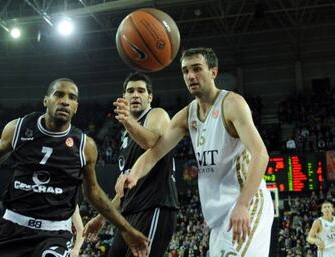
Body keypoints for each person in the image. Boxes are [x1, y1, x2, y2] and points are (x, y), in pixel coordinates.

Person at [0, 78, 148, 257]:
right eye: (59, 95)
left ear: (76, 108)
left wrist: (126, 229)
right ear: (46, 100)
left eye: (72, 98)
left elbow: (93, 192)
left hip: (53, 235)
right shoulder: (18, 128)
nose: (65, 101)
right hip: (11, 228)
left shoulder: (85, 146)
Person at [116, 48, 274, 257]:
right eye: (185, 71)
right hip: (218, 217)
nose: (190, 76)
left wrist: (243, 204)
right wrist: (133, 174)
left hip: (247, 203)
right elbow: (155, 152)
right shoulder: (187, 114)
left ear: (213, 72)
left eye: (197, 69)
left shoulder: (232, 104)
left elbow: (261, 154)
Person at [84, 72, 179, 257]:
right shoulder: (125, 136)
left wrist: (127, 120)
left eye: (141, 91)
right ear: (124, 97)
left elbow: (151, 141)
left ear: (149, 97)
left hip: (155, 206)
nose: (135, 94)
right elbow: (123, 192)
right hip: (129, 213)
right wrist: (101, 218)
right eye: (130, 91)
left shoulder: (157, 114)